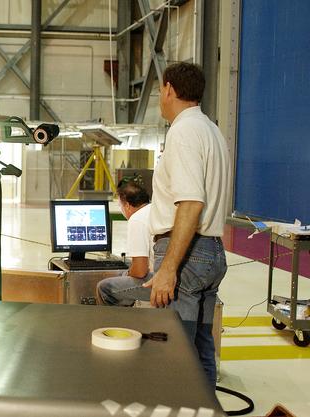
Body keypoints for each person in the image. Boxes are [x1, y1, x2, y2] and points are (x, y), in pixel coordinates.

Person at [142, 62, 230, 388]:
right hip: (212, 252)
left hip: (188, 255)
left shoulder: (183, 131)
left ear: (169, 89)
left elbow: (191, 202)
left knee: (174, 353)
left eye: (159, 91)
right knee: (200, 350)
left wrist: (168, 268)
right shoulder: (211, 130)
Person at [96, 178, 153, 306]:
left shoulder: (137, 219)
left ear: (127, 205)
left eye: (120, 205)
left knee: (104, 288)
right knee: (122, 275)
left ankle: (116, 323)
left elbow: (140, 271)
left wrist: (129, 272)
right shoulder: (153, 211)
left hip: (156, 280)